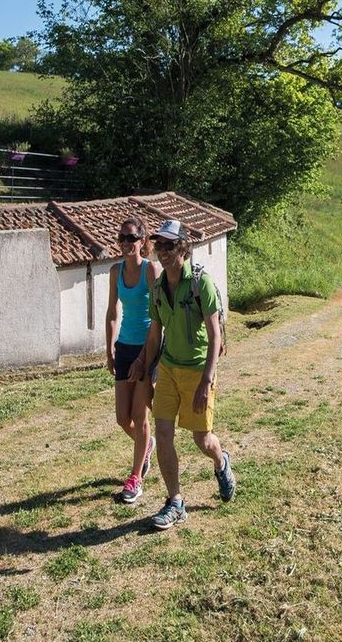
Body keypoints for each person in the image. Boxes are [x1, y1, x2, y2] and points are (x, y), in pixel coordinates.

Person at [131, 218, 236, 528]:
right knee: (163, 434)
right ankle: (175, 501)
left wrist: (206, 381)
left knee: (202, 439)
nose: (162, 251)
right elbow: (154, 335)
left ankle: (221, 461)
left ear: (183, 248)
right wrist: (146, 368)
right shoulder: (157, 288)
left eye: (169, 245)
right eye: (158, 245)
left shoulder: (201, 283)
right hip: (167, 369)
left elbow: (215, 336)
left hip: (197, 371)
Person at [106, 217, 156, 504]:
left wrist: (145, 356)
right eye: (122, 238)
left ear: (142, 240)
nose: (126, 243)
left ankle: (136, 478)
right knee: (122, 418)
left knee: (139, 416)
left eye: (131, 238)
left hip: (146, 349)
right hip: (124, 347)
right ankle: (146, 444)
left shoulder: (151, 270)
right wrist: (109, 349)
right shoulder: (116, 271)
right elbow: (113, 312)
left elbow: (158, 317)